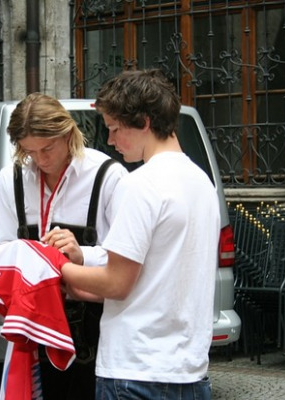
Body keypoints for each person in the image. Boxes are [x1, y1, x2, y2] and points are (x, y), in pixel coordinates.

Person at [60, 69, 220, 400]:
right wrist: (84, 257)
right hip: (189, 371)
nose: (110, 140)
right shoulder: (202, 182)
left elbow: (117, 284)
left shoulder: (141, 183)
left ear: (145, 122)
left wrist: (55, 268)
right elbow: (154, 270)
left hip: (134, 369)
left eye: (115, 128)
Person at [0, 92, 127, 399]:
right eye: (29, 151)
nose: (40, 160)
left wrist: (82, 254)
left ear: (67, 134)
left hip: (94, 331)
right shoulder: (11, 180)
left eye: (47, 148)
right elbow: (0, 249)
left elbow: (129, 256)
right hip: (32, 328)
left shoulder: (107, 176)